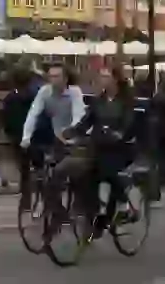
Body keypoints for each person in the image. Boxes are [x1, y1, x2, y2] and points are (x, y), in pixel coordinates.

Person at [55, 62, 136, 229]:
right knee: (86, 172)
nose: (102, 79)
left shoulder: (126, 100)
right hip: (99, 145)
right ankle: (94, 208)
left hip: (120, 147)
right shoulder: (99, 100)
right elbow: (87, 120)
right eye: (101, 75)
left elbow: (129, 122)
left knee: (107, 169)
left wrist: (120, 134)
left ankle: (124, 206)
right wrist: (72, 132)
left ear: (115, 79)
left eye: (106, 76)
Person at [19, 64, 86, 152]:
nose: (53, 79)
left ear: (65, 79)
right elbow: (33, 114)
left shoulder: (74, 92)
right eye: (51, 76)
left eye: (56, 76)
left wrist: (69, 135)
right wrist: (26, 138)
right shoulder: (44, 91)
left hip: (75, 138)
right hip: (56, 138)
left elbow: (78, 116)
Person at [0, 65, 41, 204]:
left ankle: (26, 198)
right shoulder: (36, 97)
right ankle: (44, 193)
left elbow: (6, 119)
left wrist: (9, 132)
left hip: (17, 137)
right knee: (40, 166)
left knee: (24, 169)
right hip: (34, 137)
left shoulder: (9, 98)